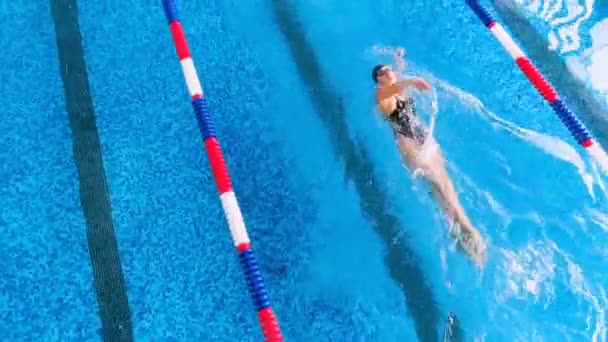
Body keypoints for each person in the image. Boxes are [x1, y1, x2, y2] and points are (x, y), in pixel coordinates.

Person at [372, 48, 487, 266]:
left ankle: (459, 229)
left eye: (389, 70)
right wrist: (413, 80)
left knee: (444, 185)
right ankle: (466, 230)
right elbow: (393, 86)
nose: (389, 73)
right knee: (440, 186)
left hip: (424, 139)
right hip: (411, 146)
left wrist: (398, 59)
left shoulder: (397, 91)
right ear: (378, 80)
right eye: (383, 72)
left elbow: (397, 78)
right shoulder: (381, 96)